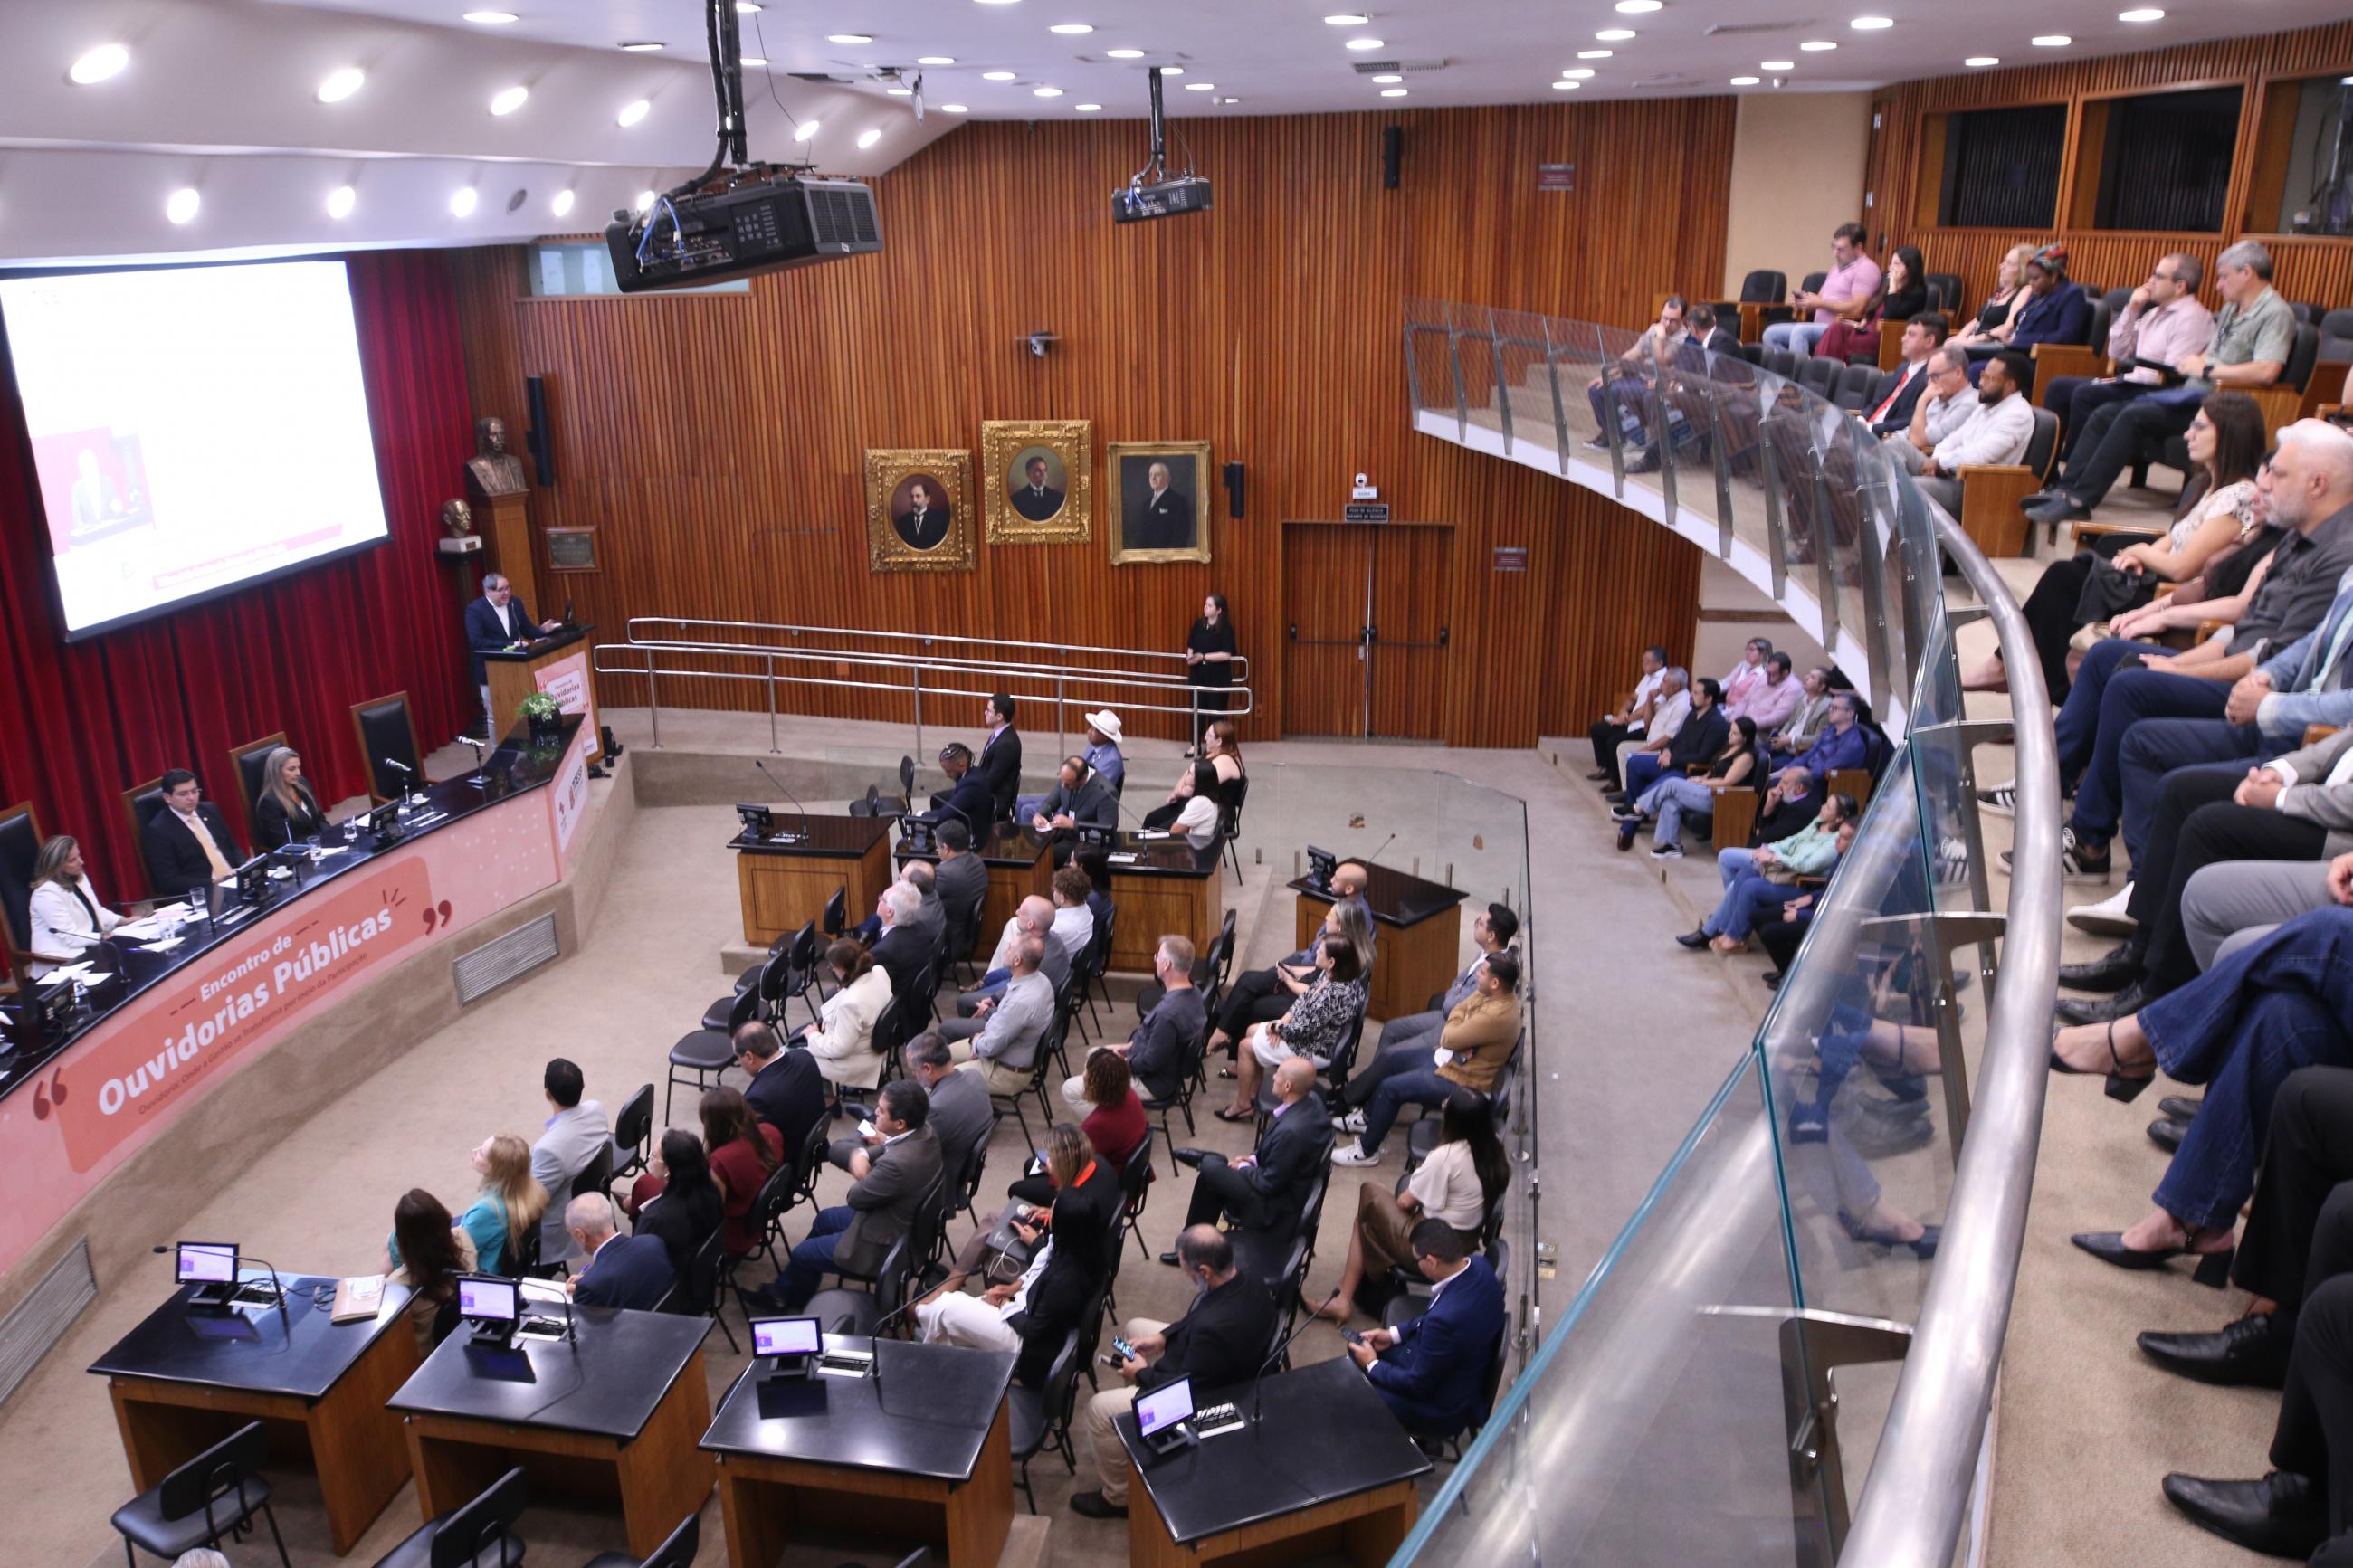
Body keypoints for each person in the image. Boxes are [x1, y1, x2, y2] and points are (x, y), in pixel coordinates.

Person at [2029, 423, 2353, 883]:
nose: (2264, 483)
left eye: (2277, 474)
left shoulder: (2338, 552)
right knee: (2111, 661)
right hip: (2253, 685)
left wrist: (2257, 692)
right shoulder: (2298, 534)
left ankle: (2100, 847)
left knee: (2128, 687)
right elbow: (2257, 630)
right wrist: (2178, 660)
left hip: (2280, 719)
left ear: (2317, 484)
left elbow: (2268, 651)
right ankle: (2058, 794)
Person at [2054, 703, 2353, 1026]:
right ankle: (2140, 953)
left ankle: (2159, 992)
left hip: (2341, 834)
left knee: (2209, 828)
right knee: (2182, 791)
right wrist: (2280, 771)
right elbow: (2345, 738)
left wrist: (2281, 798)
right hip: (2322, 793)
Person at [1975, 390, 2264, 699]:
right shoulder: (2206, 485)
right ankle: (2024, 684)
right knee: (2068, 580)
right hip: (2157, 581)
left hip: (2171, 595)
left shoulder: (2239, 496)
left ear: (2231, 434)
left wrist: (2140, 552)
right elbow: (2173, 539)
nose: (2187, 434)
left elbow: (2182, 567)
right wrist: (2141, 556)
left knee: (2064, 581)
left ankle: (2019, 680)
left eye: (2199, 427)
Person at [2025, 240, 2298, 528]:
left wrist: (2206, 368)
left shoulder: (2276, 313)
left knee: (2132, 415)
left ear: (2247, 272)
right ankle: (2066, 489)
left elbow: (2268, 370)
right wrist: (2199, 360)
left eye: (2224, 276)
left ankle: (2082, 500)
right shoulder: (2233, 310)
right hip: (2193, 395)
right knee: (2106, 411)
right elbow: (2212, 352)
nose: (2218, 285)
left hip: (2224, 405)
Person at [1070, 1225, 1281, 1520]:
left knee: (1100, 1410)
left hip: (1208, 1399)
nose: (1187, 1277)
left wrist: (1142, 1374)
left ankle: (1118, 1498)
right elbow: (1198, 1316)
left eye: (1188, 1271)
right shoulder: (1246, 1279)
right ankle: (1148, 1356)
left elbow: (1184, 1390)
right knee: (1135, 1329)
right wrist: (1164, 1337)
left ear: (1205, 1271)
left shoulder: (1214, 1331)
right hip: (1213, 1359)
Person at [919, 1125, 1117, 1384]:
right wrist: (1011, 1288)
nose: (1047, 1214)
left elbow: (1034, 1331)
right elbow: (1048, 1258)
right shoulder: (1078, 1246)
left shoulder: (1065, 1279)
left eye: (1052, 1213)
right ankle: (947, 1371)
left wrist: (1004, 1304)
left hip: (1026, 1346)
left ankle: (933, 1351)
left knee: (941, 1309)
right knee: (945, 1315)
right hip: (1025, 1307)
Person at [1317, 1094, 1509, 1323]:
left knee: (1370, 1196)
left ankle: (1343, 1300)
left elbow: (1405, 1202)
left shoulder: (1446, 1157)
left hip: (1432, 1245)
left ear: (1455, 1120)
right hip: (1466, 1239)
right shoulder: (1493, 1145)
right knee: (1369, 1218)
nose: (1443, 1104)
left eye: (1448, 1104)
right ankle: (1348, 1293)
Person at [761, 1078, 942, 1312]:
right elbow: (892, 1146)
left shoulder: (896, 1165)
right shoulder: (925, 1132)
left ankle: (794, 1303)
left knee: (801, 1253)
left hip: (882, 1241)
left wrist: (862, 1170)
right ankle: (788, 1292)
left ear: (899, 1123)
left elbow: (856, 1198)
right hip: (904, 1222)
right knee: (824, 1219)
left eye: (881, 1111)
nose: (874, 1113)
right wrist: (863, 1154)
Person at [1332, 952, 1521, 1166]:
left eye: (1483, 972)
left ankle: (1366, 1151)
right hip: (1451, 1059)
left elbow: (1448, 1037)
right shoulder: (1492, 993)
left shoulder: (1496, 1015)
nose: (1477, 974)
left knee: (1390, 1088)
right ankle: (1368, 1118)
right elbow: (1458, 1011)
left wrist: (1456, 1033)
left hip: (1462, 1081)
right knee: (1390, 1059)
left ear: (1495, 982)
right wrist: (1459, 1029)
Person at [2043, 252, 2212, 461]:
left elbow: (2174, 369)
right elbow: (2117, 353)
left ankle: (2072, 465)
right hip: (2135, 380)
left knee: (2085, 394)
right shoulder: (2153, 313)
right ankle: (2049, 465)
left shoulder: (2192, 319)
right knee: (2058, 386)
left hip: (2158, 389)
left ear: (2180, 286)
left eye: (2158, 276)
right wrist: (2132, 309)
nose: (2150, 281)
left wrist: (2127, 375)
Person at [1347, 1221, 1508, 1436]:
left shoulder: (1446, 1321)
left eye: (1417, 1260)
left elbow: (1416, 1384)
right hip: (1450, 1367)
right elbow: (1433, 1316)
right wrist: (1392, 1335)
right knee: (1358, 1346)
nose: (1416, 1264)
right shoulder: (1479, 1266)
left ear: (1431, 1262)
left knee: (1356, 1391)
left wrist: (1372, 1364)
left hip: (1440, 1406)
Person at [1204, 869, 1373, 1058]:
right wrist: (1293, 973)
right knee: (1245, 984)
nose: (1326, 920)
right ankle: (1225, 1038)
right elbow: (1318, 981)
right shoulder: (1339, 951)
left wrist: (1281, 1021)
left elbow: (1315, 997)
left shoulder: (1340, 957)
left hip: (1306, 1010)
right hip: (1305, 983)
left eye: (1330, 917)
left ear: (1341, 926)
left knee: (1248, 1005)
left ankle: (1229, 1044)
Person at [1180, 1056, 1334, 1243]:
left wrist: (1244, 1168)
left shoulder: (1291, 1133)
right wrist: (1252, 1160)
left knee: (1210, 1172)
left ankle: (1190, 1244)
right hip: (1284, 1182)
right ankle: (1193, 1243)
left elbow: (1269, 1183)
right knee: (1210, 1177)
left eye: (1278, 1074)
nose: (1274, 1076)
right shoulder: (1312, 1101)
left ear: (1288, 1086)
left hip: (1274, 1206)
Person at [1220, 936, 1369, 1120]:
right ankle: (1252, 1096)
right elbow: (1306, 997)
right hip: (1310, 1033)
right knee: (1251, 1030)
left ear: (1332, 962)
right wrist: (1283, 1021)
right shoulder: (1333, 973)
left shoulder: (1334, 994)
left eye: (1321, 952)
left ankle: (1242, 1105)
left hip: (1316, 1048)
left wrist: (1275, 1029)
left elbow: (1302, 1030)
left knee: (1245, 1046)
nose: (1316, 953)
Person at [1683, 796, 1856, 951]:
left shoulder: (1832, 844)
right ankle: (1718, 927)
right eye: (1825, 803)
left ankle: (1734, 937)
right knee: (1744, 875)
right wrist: (1771, 849)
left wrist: (1775, 857)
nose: (1822, 807)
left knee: (1749, 886)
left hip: (1800, 884)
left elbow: (1806, 865)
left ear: (1840, 818)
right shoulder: (1818, 822)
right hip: (1783, 872)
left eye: (1828, 807)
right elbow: (1792, 840)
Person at [1887, 347, 2035, 520]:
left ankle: (1884, 530)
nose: (1981, 382)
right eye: (1982, 375)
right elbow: (1954, 438)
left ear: (2010, 385)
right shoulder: (1986, 406)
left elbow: (1981, 455)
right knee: (1896, 445)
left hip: (1972, 487)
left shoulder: (2017, 415)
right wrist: (1938, 461)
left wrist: (1941, 462)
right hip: (1950, 471)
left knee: (1907, 488)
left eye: (1990, 378)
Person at [843, 1032, 991, 1195]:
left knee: (858, 1156)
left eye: (914, 1070)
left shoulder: (937, 1108)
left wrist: (884, 1139)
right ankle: (876, 1116)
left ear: (927, 1068)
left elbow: (915, 1147)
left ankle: (875, 1119)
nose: (914, 1075)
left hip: (939, 1180)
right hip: (962, 1158)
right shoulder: (974, 1077)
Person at [1069, 934, 1205, 1108]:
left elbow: (1150, 1062)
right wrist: (1128, 1048)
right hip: (1157, 1064)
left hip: (1152, 1083)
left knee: (1072, 1090)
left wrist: (1122, 1063)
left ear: (1167, 965)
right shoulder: (1194, 993)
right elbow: (1156, 1043)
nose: (1155, 960)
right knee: (1094, 1054)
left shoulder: (1168, 1015)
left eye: (1157, 957)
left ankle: (1112, 1124)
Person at [1370, 905, 1520, 1062]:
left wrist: (1455, 993)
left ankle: (1376, 1079)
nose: (1475, 925)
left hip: (1452, 1029)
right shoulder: (1485, 954)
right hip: (1445, 1017)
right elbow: (1458, 982)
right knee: (1391, 1029)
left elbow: (1451, 1006)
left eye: (1480, 923)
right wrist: (1456, 992)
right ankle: (1371, 1079)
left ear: (1491, 936)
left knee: (1391, 1055)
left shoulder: (1493, 973)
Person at [1619, 715, 1764, 860]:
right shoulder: (1730, 747)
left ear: (1745, 737)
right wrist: (1702, 777)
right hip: (1709, 789)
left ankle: (1639, 809)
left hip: (1721, 798)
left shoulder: (1746, 757)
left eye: (1735, 733)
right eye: (1730, 731)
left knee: (1672, 783)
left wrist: (1703, 783)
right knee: (1670, 803)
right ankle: (1673, 846)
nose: (1730, 735)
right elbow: (1714, 769)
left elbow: (1728, 781)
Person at [529, 1058, 611, 1264]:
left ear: (548, 1094)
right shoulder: (596, 1108)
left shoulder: (547, 1149)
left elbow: (530, 1202)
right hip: (592, 1193)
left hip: (555, 1227)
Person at [948, 935, 1053, 1093]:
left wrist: (977, 1042)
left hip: (1003, 1071)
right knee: (940, 1057)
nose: (1006, 949)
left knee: (940, 1080)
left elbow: (990, 1047)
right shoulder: (1042, 979)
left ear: (1017, 961)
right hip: (997, 1048)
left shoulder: (1021, 1003)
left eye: (1009, 948)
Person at [1584, 294, 1690, 451]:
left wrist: (1659, 337)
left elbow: (1661, 363)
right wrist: (1608, 375)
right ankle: (1611, 435)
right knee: (1596, 389)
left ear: (1683, 320)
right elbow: (1634, 353)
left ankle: (1635, 438)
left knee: (1617, 391)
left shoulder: (1682, 338)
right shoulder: (1654, 329)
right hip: (1640, 377)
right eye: (1664, 318)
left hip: (1658, 384)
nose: (1667, 324)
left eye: (1672, 320)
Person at [1759, 222, 1881, 357]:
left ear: (1858, 246)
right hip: (1819, 326)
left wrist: (1821, 303)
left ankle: (1799, 376)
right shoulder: (1836, 269)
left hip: (1839, 329)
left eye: (1841, 249)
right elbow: (1819, 300)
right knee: (1770, 334)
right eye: (1834, 247)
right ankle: (1785, 373)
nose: (1835, 253)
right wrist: (1805, 302)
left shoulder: (1866, 269)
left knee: (1800, 332)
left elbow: (1858, 308)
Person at [690, 1087, 783, 1258]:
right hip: (757, 1221)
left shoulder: (720, 1162)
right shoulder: (771, 1132)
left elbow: (711, 1214)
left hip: (731, 1235)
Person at [792, 939, 893, 1092]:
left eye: (832, 968)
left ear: (843, 969)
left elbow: (839, 1048)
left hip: (856, 1061)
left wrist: (814, 1037)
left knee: (799, 1059)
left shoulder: (851, 1003)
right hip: (875, 1047)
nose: (833, 971)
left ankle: (828, 1102)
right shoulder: (879, 971)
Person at [439, 1133, 547, 1277]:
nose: (474, 1152)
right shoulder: (531, 1189)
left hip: (482, 1274)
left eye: (482, 1154)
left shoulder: (486, 1211)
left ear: (496, 1169)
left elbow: (459, 1252)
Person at [631, 1128, 725, 1286]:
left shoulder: (655, 1219)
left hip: (669, 1293)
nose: (650, 1160)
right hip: (701, 1281)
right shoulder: (711, 1193)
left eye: (653, 1156)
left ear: (668, 1171)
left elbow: (636, 1265)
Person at [384, 1189, 473, 1352]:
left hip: (427, 1359)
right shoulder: (463, 1238)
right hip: (469, 1331)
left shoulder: (396, 1285)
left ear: (403, 1240)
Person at [1615, 676, 1727, 806]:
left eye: (1696, 693)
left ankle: (1632, 815)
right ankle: (1631, 807)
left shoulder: (1717, 723)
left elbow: (1703, 756)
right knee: (1634, 762)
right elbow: (1677, 737)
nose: (1691, 695)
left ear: (1709, 699)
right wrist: (1667, 749)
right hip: (1673, 760)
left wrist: (1671, 760)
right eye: (1692, 691)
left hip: (1686, 769)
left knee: (1647, 792)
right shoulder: (1693, 714)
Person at [24, 835, 125, 978]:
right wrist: (101, 936)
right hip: (62, 961)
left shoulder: (79, 877)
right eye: (73, 860)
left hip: (91, 946)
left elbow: (96, 911)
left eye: (79, 856)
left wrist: (122, 921)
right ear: (56, 866)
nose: (81, 862)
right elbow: (70, 936)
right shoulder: (46, 894)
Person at [463, 572, 560, 717]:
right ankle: (498, 742)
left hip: (517, 668)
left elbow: (527, 629)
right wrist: (510, 644)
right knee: (496, 717)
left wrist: (542, 630)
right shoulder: (475, 610)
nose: (507, 592)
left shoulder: (515, 603)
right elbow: (477, 642)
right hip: (491, 671)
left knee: (522, 711)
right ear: (488, 591)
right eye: (501, 590)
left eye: (508, 588)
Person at [141, 768, 244, 898]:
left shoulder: (210, 810)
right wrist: (215, 882)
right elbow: (169, 881)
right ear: (167, 798)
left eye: (194, 791)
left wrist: (244, 867)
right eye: (183, 794)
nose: (191, 798)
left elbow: (232, 846)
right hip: (205, 892)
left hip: (235, 880)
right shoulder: (158, 831)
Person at [1812, 244, 1925, 363]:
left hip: (1883, 338)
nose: (1890, 268)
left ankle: (1822, 370)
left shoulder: (1916, 294)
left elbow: (1890, 316)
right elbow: (1874, 306)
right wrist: (1864, 320)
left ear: (1909, 268)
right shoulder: (1886, 286)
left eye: (1896, 264)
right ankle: (1821, 370)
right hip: (1865, 330)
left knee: (1837, 337)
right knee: (1835, 328)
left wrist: (1893, 288)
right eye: (1891, 263)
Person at [736, 1021, 827, 1160]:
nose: (740, 1063)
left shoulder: (756, 1098)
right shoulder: (804, 1057)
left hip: (788, 1164)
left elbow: (754, 1148)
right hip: (813, 1148)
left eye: (738, 1057)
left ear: (749, 1056)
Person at [566, 1193, 674, 1310]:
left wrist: (556, 1307)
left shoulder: (592, 1286)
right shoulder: (653, 1243)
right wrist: (589, 1282)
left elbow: (583, 1326)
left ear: (580, 1235)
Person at [1851, 313, 1948, 438]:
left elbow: (1911, 419)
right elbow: (1880, 401)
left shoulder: (1932, 377)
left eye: (1911, 335)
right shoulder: (1903, 367)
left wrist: (1871, 428)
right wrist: (1862, 418)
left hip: (1887, 440)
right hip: (1868, 432)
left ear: (1929, 341)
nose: (1903, 339)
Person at [965, 894, 1070, 1005]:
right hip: (1026, 984)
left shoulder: (1034, 959)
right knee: (991, 977)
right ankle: (980, 987)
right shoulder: (1054, 938)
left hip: (1028, 999)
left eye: (1021, 912)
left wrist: (994, 999)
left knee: (965, 1001)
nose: (1017, 912)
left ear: (1030, 924)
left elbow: (1015, 990)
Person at [1589, 645, 1672, 783]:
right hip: (1631, 721)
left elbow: (1650, 706)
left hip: (1645, 725)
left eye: (1647, 661)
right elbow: (1633, 697)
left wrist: (1626, 719)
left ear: (1660, 663)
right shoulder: (1648, 676)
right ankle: (1605, 768)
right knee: (1598, 729)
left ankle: (1616, 782)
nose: (1643, 664)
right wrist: (1623, 712)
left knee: (1614, 741)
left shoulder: (1664, 680)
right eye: (1643, 661)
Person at [1994, 243, 2090, 356]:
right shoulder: (2039, 294)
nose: (2031, 283)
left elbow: (2066, 337)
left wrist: (2021, 342)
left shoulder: (2072, 294)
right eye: (2030, 278)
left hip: (2041, 358)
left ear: (2053, 275)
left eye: (2035, 278)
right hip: (2016, 351)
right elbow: (2020, 322)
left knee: (1981, 368)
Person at [1769, 688, 1869, 786]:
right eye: (1830, 706)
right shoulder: (1831, 728)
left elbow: (1824, 770)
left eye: (1835, 708)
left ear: (1849, 713)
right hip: (1807, 771)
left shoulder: (1852, 745)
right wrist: (1784, 771)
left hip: (1821, 783)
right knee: (1769, 777)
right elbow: (1809, 753)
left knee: (1773, 784)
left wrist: (1794, 775)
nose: (1830, 710)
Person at [1948, 242, 2034, 349]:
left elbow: (2008, 328)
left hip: (1990, 345)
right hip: (1974, 342)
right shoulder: (2001, 291)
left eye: (2009, 263)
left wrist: (1971, 341)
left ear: (2024, 270)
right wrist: (1959, 338)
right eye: (2004, 261)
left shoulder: (2025, 291)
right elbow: (1977, 320)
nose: (2001, 266)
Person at [1185, 594, 1238, 748]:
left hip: (1218, 677)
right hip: (1198, 675)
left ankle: (1215, 745)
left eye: (1209, 605)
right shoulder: (1199, 624)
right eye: (1205, 604)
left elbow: (1226, 654)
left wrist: (1204, 657)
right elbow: (1191, 644)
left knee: (1216, 712)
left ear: (1219, 610)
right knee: (1197, 711)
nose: (1205, 607)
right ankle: (1195, 744)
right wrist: (1190, 658)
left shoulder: (1226, 629)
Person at [931, 817, 989, 951]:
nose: (937, 851)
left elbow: (918, 900)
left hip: (947, 943)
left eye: (938, 847)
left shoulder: (944, 874)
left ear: (946, 848)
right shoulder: (977, 861)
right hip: (965, 936)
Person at [250, 746, 326, 846]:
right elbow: (282, 842)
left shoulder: (302, 784)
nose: (298, 773)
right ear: (277, 771)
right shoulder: (269, 802)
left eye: (299, 768)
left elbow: (320, 819)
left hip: (320, 842)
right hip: (301, 852)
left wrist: (330, 835)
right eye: (292, 769)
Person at [1029, 757, 1116, 842]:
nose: (1063, 786)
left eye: (1068, 784)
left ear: (1083, 778)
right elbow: (1050, 803)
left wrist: (1073, 824)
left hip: (1085, 844)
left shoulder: (1105, 793)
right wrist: (1039, 815)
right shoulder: (1067, 778)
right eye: (1062, 780)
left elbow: (1107, 831)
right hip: (1063, 835)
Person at [926, 742, 996, 832]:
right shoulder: (974, 772)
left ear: (962, 764)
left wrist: (920, 815)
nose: (947, 775)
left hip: (970, 834)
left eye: (949, 771)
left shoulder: (971, 785)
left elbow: (943, 816)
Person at [1727, 652, 1804, 734]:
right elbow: (1745, 699)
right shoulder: (1765, 675)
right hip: (1741, 722)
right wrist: (1734, 718)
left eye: (1772, 674)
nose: (1767, 677)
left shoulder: (1793, 688)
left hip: (1758, 731)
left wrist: (1746, 725)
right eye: (1767, 672)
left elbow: (1777, 718)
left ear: (1785, 673)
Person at [1768, 666, 1837, 756]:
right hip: (1784, 744)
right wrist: (1781, 735)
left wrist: (1791, 740)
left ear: (1821, 687)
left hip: (1800, 752)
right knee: (1755, 753)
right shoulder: (1801, 696)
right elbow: (1790, 721)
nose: (1806, 678)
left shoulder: (1827, 707)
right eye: (1808, 674)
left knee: (1763, 762)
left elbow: (1819, 738)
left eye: (1812, 677)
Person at [976, 692, 1022, 821]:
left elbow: (992, 781)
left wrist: (970, 788)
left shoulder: (1007, 744)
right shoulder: (998, 736)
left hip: (994, 798)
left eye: (989, 711)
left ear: (1000, 716)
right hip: (985, 790)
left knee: (944, 802)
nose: (985, 713)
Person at [1129, 460, 1193, 549]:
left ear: (1167, 478)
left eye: (1158, 475)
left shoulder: (1178, 501)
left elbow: (1180, 537)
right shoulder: (1145, 504)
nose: (1153, 478)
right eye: (1150, 475)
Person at [893, 478, 950, 550]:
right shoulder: (903, 521)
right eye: (912, 496)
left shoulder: (939, 519)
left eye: (918, 496)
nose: (914, 500)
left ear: (927, 499)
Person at [1079, 708, 1126, 795]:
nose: (1089, 732)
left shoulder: (1112, 761)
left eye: (1095, 730)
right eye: (1091, 727)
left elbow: (1096, 791)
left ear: (1105, 736)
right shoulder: (1092, 746)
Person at [1012, 455, 1065, 521]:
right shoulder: (1016, 499)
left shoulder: (1058, 498)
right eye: (1038, 471)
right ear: (1028, 474)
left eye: (1045, 470)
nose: (1043, 474)